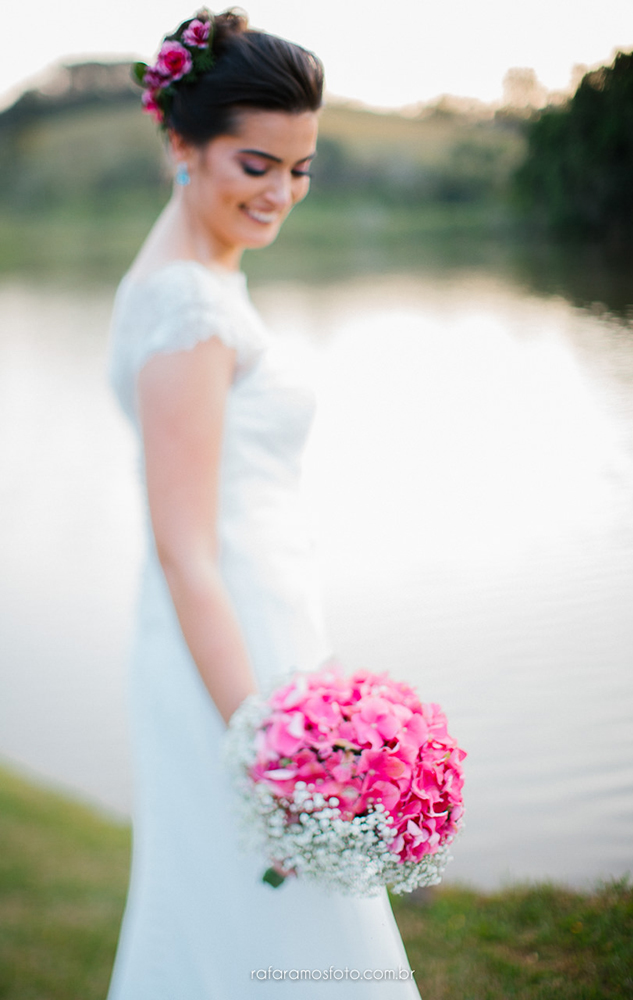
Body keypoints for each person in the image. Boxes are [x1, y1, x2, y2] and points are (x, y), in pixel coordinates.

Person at [106, 9, 422, 998]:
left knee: (251, 904)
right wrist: (262, 737)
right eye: (257, 165)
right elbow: (185, 547)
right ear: (182, 145)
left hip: (252, 617)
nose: (281, 192)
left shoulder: (196, 273)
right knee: (285, 907)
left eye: (301, 168)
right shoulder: (187, 307)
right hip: (231, 642)